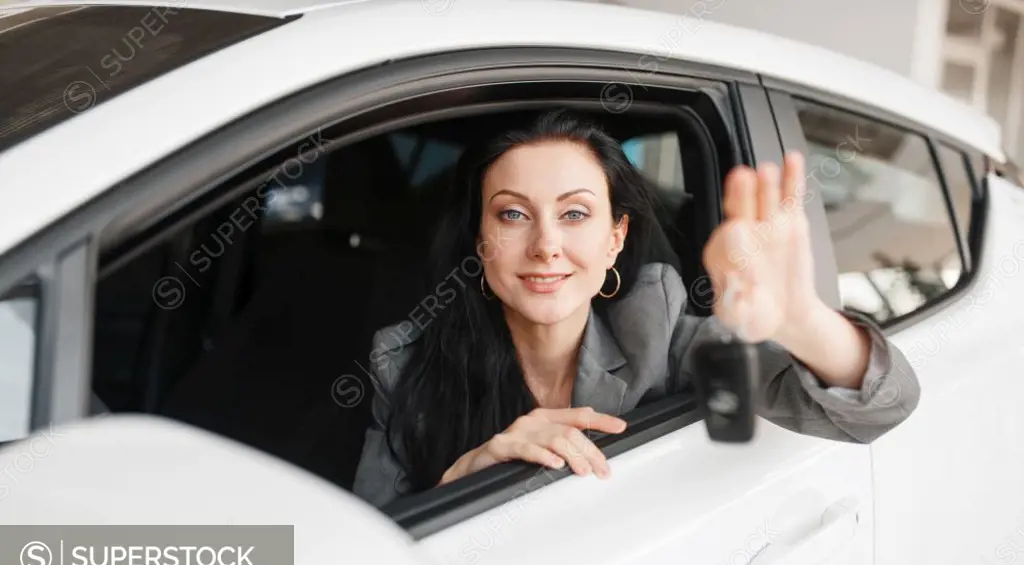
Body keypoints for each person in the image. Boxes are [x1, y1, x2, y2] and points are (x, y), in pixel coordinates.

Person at [351, 109, 920, 508]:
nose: (546, 245)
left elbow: (880, 410)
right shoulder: (404, 365)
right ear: (480, 241)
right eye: (513, 215)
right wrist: (462, 480)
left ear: (615, 238)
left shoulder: (662, 334)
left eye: (575, 214)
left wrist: (802, 321)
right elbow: (363, 557)